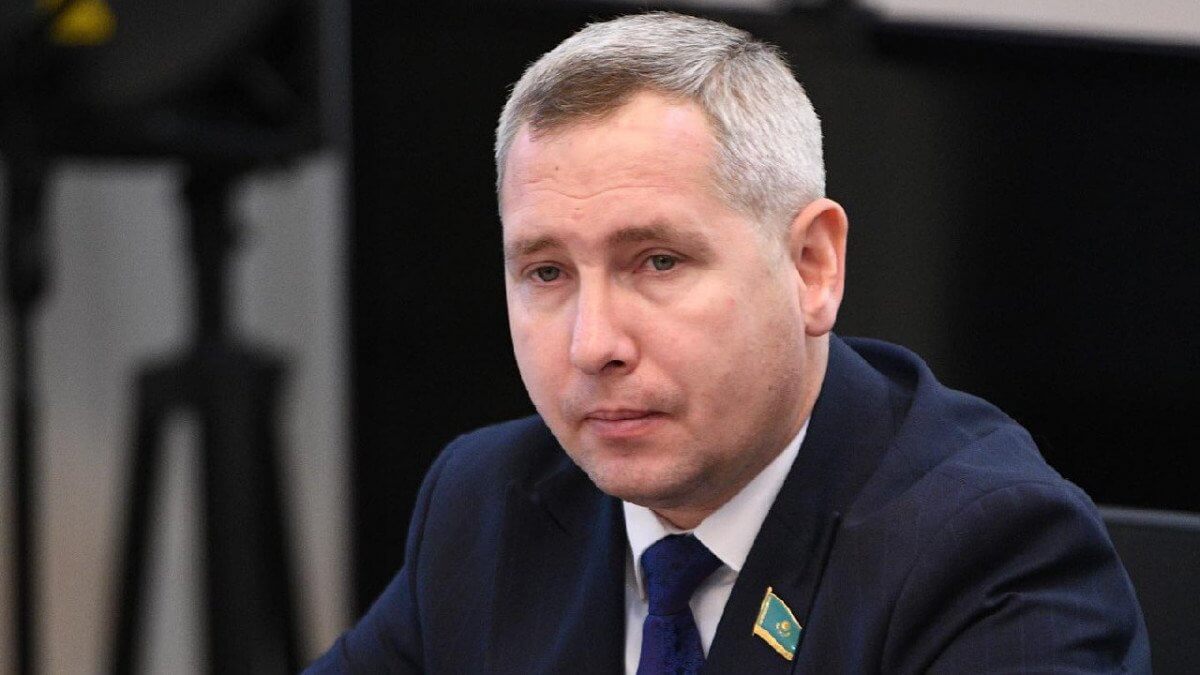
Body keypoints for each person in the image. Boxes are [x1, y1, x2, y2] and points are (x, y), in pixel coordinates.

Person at [308, 12, 1149, 674]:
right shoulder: (487, 501)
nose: (593, 344)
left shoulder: (989, 550)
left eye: (658, 261)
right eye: (546, 272)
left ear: (812, 266)